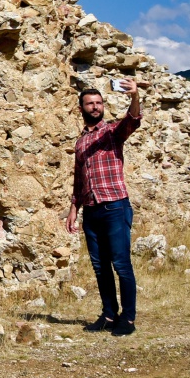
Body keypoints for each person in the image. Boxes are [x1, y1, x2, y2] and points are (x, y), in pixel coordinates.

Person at [65, 78, 142, 336]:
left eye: (99, 103)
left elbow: (132, 121)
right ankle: (109, 315)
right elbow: (79, 178)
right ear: (81, 108)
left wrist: (134, 96)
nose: (95, 107)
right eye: (90, 103)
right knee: (100, 267)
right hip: (91, 210)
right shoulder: (80, 142)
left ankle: (127, 320)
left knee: (121, 264)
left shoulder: (111, 132)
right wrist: (74, 209)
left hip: (115, 207)